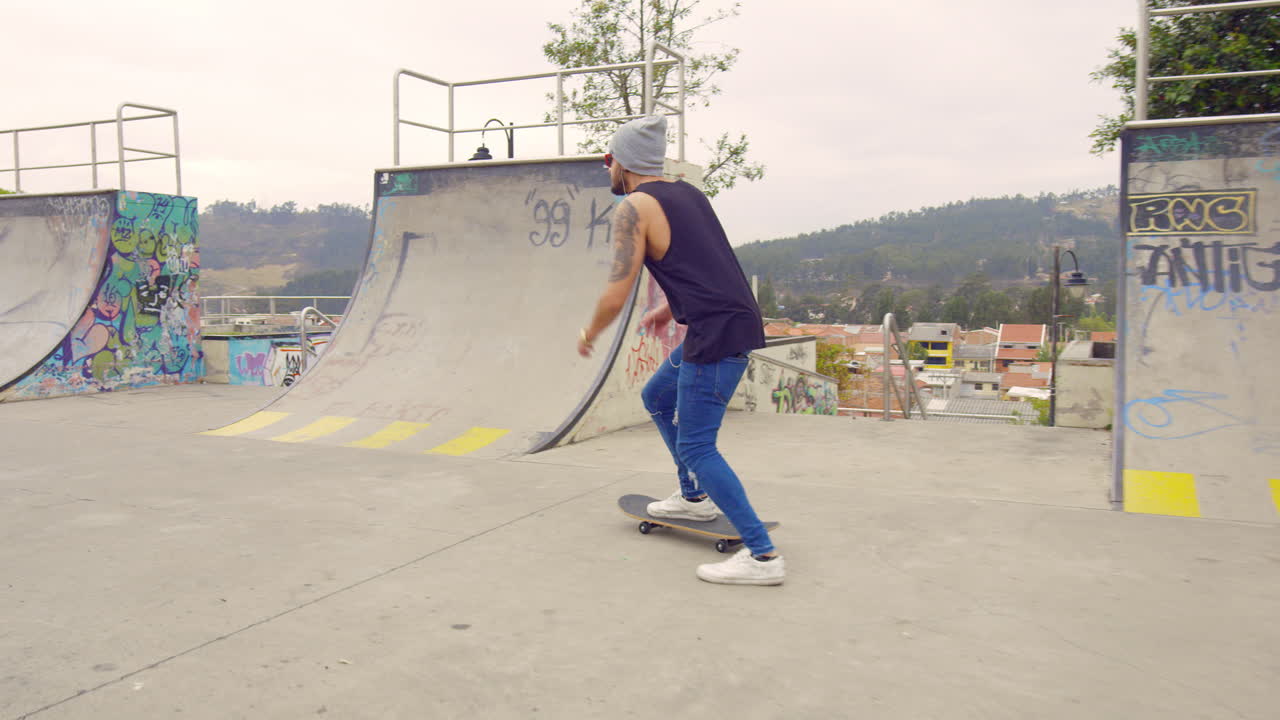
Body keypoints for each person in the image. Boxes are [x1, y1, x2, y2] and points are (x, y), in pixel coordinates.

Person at [575, 115, 784, 586]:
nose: (608, 169)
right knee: (656, 397)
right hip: (720, 324)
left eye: (608, 160)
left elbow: (616, 291)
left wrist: (590, 332)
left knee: (696, 443)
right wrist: (669, 310)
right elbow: (702, 265)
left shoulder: (634, 207)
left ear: (622, 162)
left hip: (716, 334)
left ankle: (763, 556)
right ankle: (693, 497)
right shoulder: (688, 194)